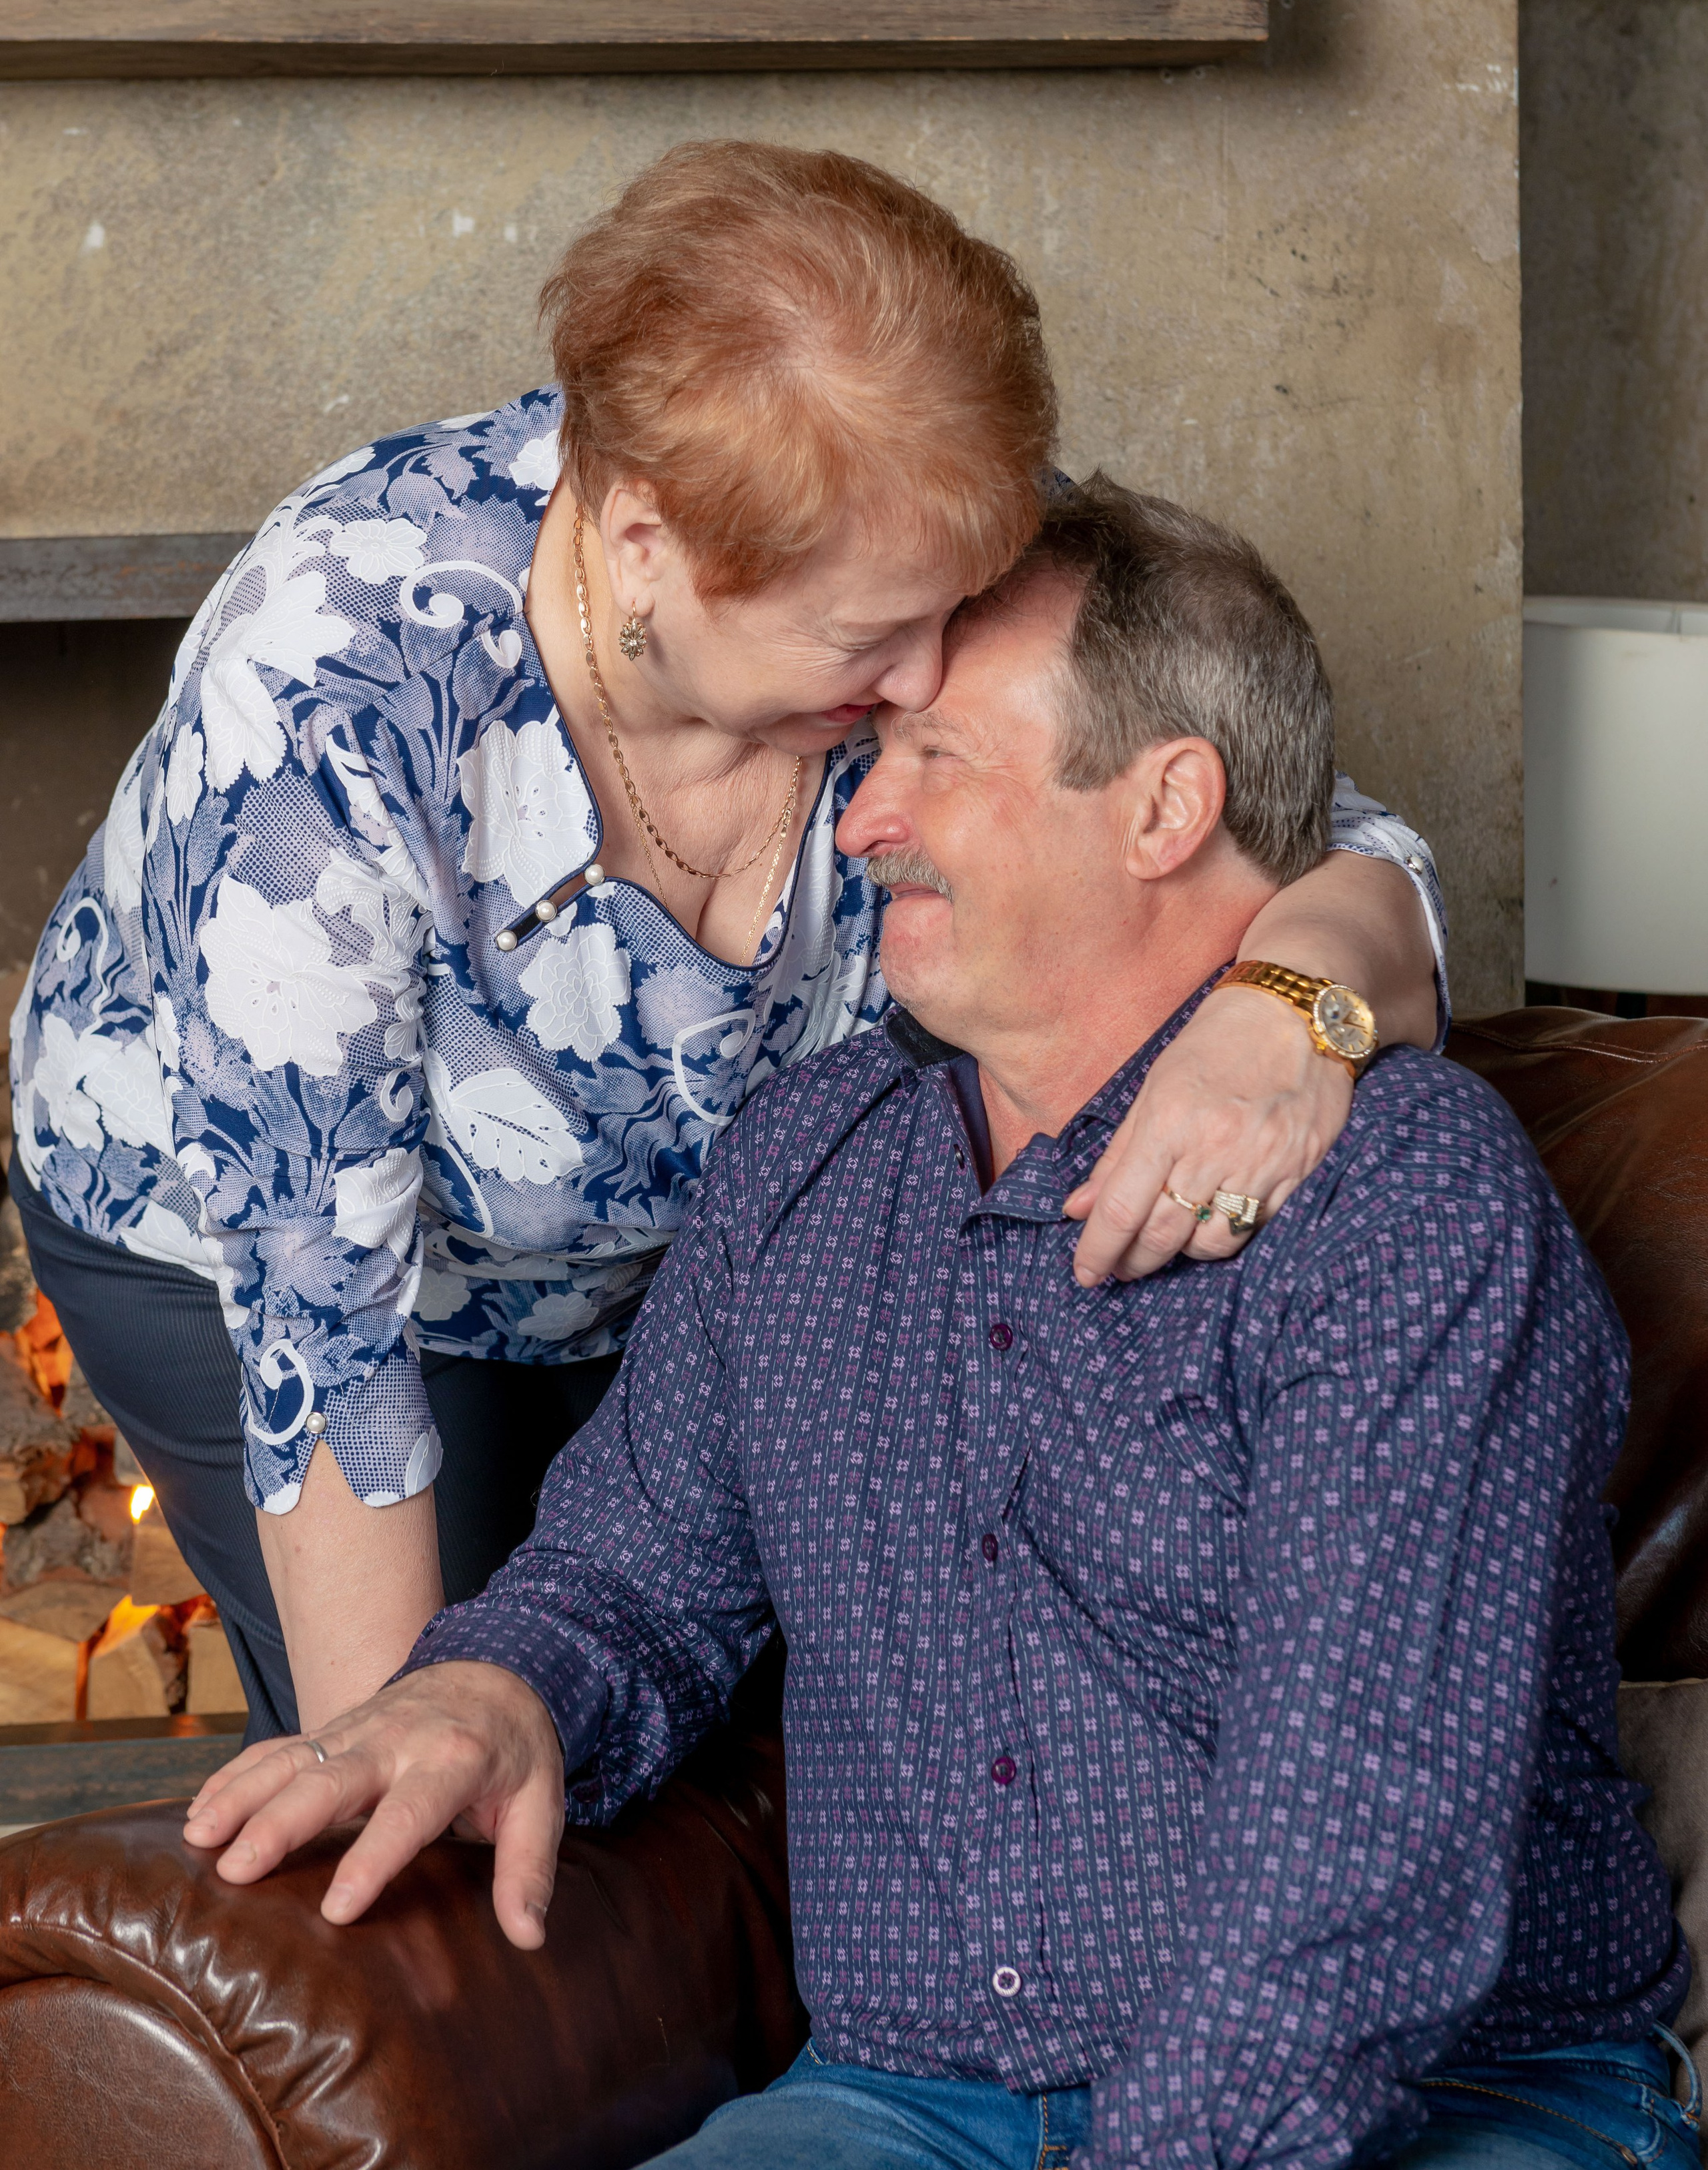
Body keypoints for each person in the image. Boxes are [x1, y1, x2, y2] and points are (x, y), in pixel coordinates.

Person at [183, 478, 1692, 2170]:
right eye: (866, 754)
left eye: (934, 759)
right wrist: (487, 1690)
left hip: (1447, 2105)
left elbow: (1359, 1868)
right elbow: (627, 1573)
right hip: (904, 2104)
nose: (856, 816)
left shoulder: (1399, 1194)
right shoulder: (801, 1166)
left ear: (1162, 804)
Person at [7, 145, 1441, 1745]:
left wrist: (1283, 1005)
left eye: (950, 610)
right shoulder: (327, 695)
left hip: (683, 1261)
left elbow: (1292, 832)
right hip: (297, 1269)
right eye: (862, 642)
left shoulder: (899, 523)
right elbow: (323, 1344)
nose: (921, 680)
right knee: (470, 1749)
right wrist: (409, 1796)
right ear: (642, 545)